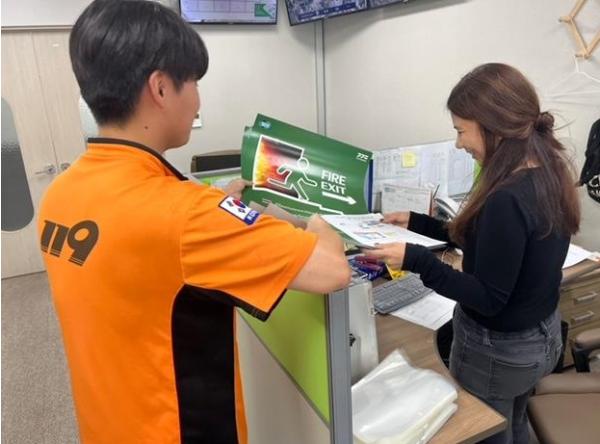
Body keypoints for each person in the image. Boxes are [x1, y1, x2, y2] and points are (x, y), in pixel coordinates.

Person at [37, 1, 351, 443]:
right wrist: (316, 211)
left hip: (105, 427)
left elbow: (144, 264)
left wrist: (217, 206)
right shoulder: (187, 216)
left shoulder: (61, 192)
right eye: (194, 83)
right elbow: (332, 270)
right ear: (161, 88)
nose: (198, 99)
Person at [365, 63, 580, 444]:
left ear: (494, 128)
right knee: (515, 423)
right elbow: (495, 245)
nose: (458, 144)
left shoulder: (506, 198)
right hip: (539, 337)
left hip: (501, 352)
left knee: (488, 434)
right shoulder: (546, 168)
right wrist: (419, 222)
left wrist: (417, 259)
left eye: (461, 131)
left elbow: (488, 298)